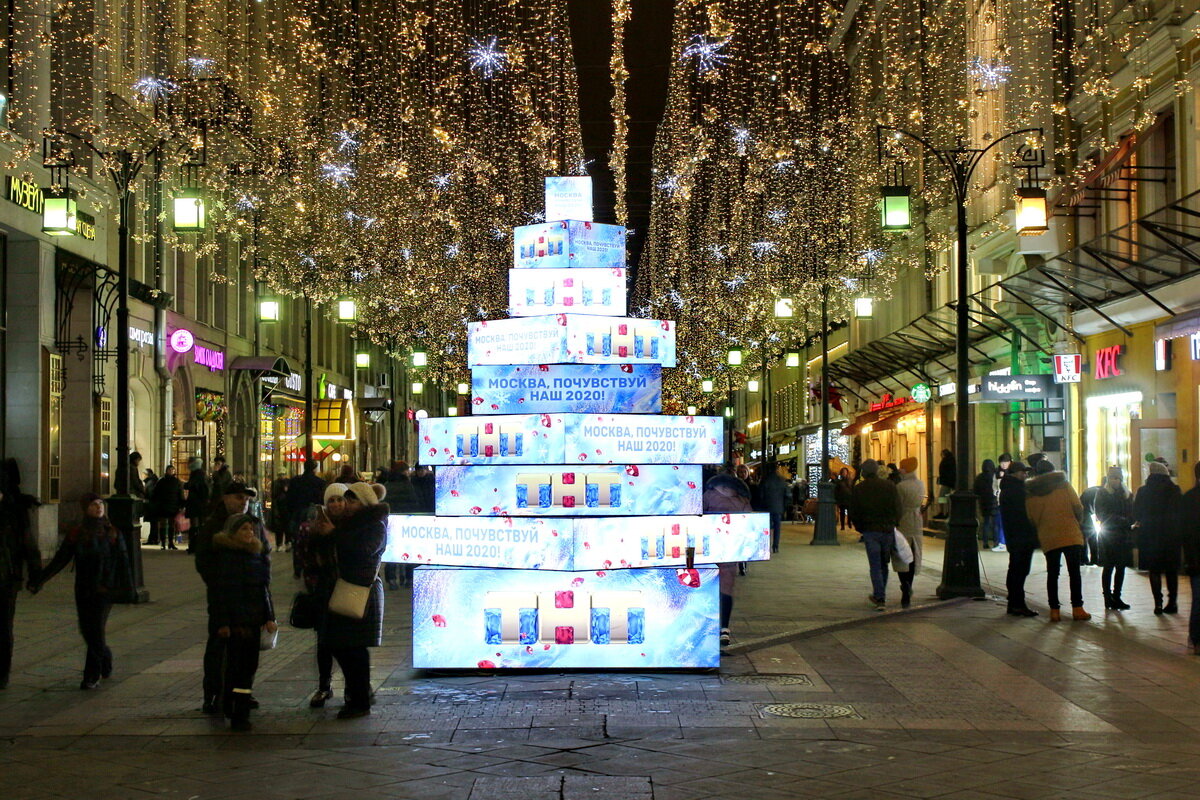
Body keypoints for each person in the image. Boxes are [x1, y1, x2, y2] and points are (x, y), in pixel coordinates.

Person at [31, 494, 132, 689]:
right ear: (86, 508)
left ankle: (91, 675)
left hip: (105, 588)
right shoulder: (77, 533)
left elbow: (124, 561)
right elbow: (61, 560)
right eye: (94, 504)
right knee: (87, 630)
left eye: (101, 504)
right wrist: (40, 580)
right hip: (84, 588)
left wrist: (128, 590)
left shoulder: (112, 532)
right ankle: (105, 656)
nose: (98, 507)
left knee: (95, 629)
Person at [320, 482, 387, 719]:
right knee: (340, 645)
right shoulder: (351, 523)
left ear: (365, 502)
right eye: (346, 500)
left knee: (353, 648)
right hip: (345, 588)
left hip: (361, 592)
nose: (347, 505)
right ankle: (358, 695)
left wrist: (335, 534)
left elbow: (362, 551)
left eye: (353, 500)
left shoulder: (375, 525)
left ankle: (359, 700)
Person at [193, 481, 257, 713]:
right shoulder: (213, 527)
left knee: (247, 649)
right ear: (226, 498)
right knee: (219, 645)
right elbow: (204, 561)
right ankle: (213, 693)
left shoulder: (252, 525)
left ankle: (242, 692)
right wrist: (221, 584)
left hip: (249, 597)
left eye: (247, 499)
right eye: (239, 497)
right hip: (222, 596)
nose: (244, 502)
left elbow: (262, 561)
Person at [210, 513, 276, 731]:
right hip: (236, 621)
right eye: (244, 530)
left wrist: (269, 617)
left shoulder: (257, 555)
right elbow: (220, 594)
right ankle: (238, 711)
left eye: (251, 530)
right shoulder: (226, 557)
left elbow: (264, 590)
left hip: (254, 619)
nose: (249, 533)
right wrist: (223, 623)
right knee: (238, 667)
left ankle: (235, 704)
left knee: (249, 666)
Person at [294, 483, 348, 707]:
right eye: (331, 501)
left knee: (348, 642)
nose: (335, 504)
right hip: (323, 590)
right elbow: (305, 559)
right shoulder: (311, 528)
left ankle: (357, 685)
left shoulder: (351, 525)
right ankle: (324, 686)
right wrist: (313, 585)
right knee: (324, 641)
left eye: (339, 500)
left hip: (347, 590)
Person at [1025, 459, 1090, 622]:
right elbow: (1078, 506)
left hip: (1048, 536)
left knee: (1052, 573)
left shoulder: (1031, 492)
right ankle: (1077, 608)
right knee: (1074, 573)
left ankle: (1055, 610)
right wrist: (1077, 521)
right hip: (1070, 533)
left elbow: (1030, 517)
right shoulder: (1064, 485)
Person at [1, 459, 41, 690]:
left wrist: (35, 575)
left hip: (6, 579)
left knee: (4, 627)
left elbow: (29, 546)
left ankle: (2, 672)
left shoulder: (14, 514)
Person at [703, 472, 754, 647]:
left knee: (706, 582)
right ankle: (724, 628)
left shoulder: (709, 495)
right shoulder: (742, 499)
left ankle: (706, 625)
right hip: (731, 547)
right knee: (726, 586)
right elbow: (750, 522)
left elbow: (696, 515)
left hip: (708, 546)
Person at [850, 460, 903, 610]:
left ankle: (880, 596)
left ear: (864, 473)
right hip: (886, 530)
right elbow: (898, 508)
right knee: (883, 563)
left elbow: (854, 511)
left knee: (874, 565)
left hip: (870, 530)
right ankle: (881, 594)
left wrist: (860, 528)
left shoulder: (859, 489)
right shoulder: (889, 486)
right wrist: (894, 523)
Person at [1134, 460, 1182, 615]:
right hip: (1171, 536)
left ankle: (1158, 604)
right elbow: (1181, 513)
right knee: (1171, 570)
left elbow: (1136, 514)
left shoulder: (1143, 491)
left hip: (1150, 536)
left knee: (1154, 570)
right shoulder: (1174, 490)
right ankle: (1172, 602)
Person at [999, 461, 1038, 617]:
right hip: (1021, 536)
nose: (1025, 474)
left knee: (1016, 569)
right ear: (1015, 473)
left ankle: (1014, 603)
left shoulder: (1009, 488)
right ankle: (1017, 604)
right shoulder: (1017, 490)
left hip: (1015, 536)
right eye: (1023, 472)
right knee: (1020, 570)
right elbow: (1025, 513)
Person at [1093, 466, 1134, 611]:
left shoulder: (1127, 494)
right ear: (1108, 479)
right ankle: (1107, 597)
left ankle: (1117, 596)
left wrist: (1126, 521)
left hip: (1123, 536)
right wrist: (1122, 520)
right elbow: (1101, 514)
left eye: (1117, 478)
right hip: (1109, 536)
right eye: (1112, 477)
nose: (1115, 480)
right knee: (1109, 567)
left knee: (1121, 567)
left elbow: (1132, 514)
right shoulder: (1102, 493)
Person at [383, 462, 422, 589]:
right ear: (404, 472)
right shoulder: (409, 485)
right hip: (407, 521)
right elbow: (415, 503)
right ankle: (409, 578)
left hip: (391, 522)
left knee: (391, 550)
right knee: (408, 549)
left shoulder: (387, 486)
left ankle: (392, 579)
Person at [894, 457, 925, 608]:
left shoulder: (901, 486)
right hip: (917, 522)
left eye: (902, 467)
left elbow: (897, 506)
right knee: (914, 554)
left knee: (902, 554)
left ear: (905, 469)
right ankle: (909, 584)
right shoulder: (921, 484)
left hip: (904, 522)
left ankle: (904, 584)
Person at [1178, 462, 1200, 654]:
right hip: (1196, 559)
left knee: (1198, 600)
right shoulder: (1190, 498)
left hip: (1195, 559)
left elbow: (1183, 531)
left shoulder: (1188, 498)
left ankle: (1196, 639)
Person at [147, 464, 185, 549]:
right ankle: (164, 542)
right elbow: (180, 494)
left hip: (169, 506)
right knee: (165, 525)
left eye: (173, 470)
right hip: (167, 506)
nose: (171, 471)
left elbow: (155, 493)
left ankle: (168, 542)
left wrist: (181, 504)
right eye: (170, 470)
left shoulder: (164, 481)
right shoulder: (173, 482)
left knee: (170, 525)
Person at [756, 461, 790, 553]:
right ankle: (775, 546)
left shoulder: (765, 480)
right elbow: (787, 495)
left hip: (766, 507)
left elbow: (760, 495)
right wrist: (784, 506)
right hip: (778, 507)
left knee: (765, 527)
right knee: (777, 527)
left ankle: (765, 545)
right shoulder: (782, 480)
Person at [974, 459, 1000, 549]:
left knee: (986, 523)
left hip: (984, 502)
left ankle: (985, 543)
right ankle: (996, 542)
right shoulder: (995, 476)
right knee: (995, 523)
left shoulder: (979, 477)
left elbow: (976, 491)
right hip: (994, 501)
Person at [184, 467, 210, 553]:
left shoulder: (192, 483)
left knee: (193, 526)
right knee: (202, 525)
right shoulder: (204, 483)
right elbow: (206, 495)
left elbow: (186, 486)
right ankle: (200, 545)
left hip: (193, 506)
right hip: (202, 507)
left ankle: (192, 545)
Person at [269, 474, 291, 551]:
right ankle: (281, 543)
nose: (282, 476)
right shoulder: (276, 483)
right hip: (281, 508)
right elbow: (273, 495)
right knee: (280, 527)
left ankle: (285, 543)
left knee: (285, 527)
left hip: (285, 508)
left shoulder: (287, 482)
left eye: (283, 474)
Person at [934, 449, 955, 519]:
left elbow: (945, 472)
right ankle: (946, 512)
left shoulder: (947, 461)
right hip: (948, 483)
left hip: (946, 483)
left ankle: (943, 512)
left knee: (942, 497)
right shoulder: (951, 460)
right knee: (945, 498)